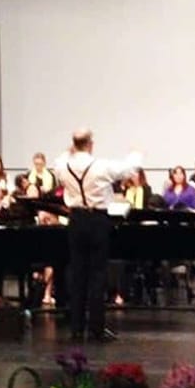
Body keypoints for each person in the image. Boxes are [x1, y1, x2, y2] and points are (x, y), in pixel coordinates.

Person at [54, 127, 140, 342]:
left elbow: (61, 160)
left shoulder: (62, 164)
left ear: (74, 144)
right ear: (91, 143)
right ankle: (96, 328)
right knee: (97, 274)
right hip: (97, 220)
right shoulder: (100, 166)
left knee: (78, 274)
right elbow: (128, 169)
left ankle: (76, 328)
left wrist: (71, 150)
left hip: (75, 220)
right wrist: (136, 153)